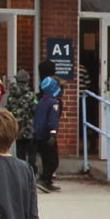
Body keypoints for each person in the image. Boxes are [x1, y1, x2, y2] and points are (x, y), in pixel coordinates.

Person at [31, 59, 63, 191]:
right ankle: (44, 179)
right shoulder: (53, 102)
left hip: (38, 134)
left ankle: (47, 181)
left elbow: (37, 118)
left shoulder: (41, 101)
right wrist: (53, 133)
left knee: (45, 158)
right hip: (48, 134)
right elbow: (53, 119)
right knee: (53, 160)